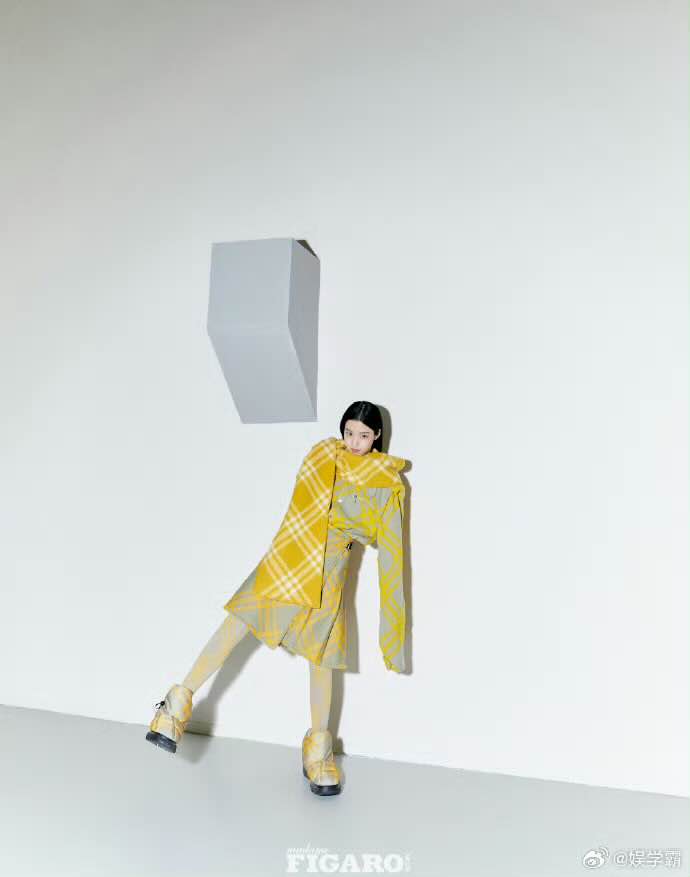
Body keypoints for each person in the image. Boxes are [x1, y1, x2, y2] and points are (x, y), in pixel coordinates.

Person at [145, 400, 408, 796]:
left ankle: (318, 751)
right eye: (349, 432)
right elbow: (297, 511)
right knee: (236, 624)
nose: (354, 442)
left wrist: (392, 638)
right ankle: (175, 706)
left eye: (364, 435)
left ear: (378, 437)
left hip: (329, 578)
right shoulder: (323, 455)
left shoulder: (385, 483)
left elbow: (392, 562)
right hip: (289, 560)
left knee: (322, 661)